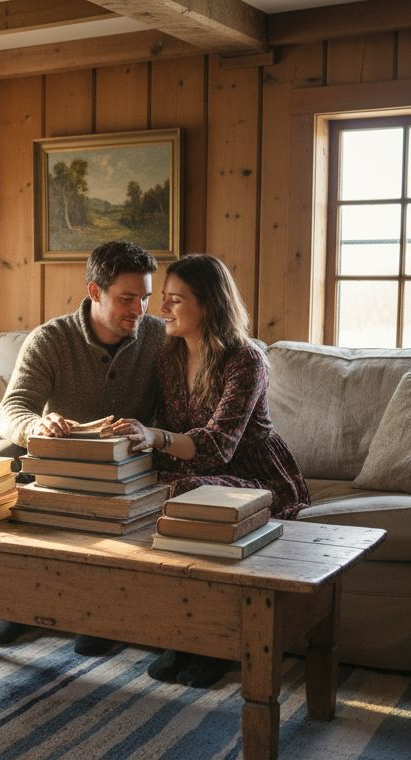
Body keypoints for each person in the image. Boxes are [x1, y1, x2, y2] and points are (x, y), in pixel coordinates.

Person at [113, 252, 311, 686]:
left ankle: (212, 645)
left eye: (175, 301)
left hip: (256, 475)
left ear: (209, 305)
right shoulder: (167, 357)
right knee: (140, 494)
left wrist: (158, 438)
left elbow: (219, 447)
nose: (162, 310)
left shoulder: (246, 360)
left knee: (186, 491)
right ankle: (156, 628)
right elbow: (168, 430)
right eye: (163, 299)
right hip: (192, 469)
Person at [0, 240, 168, 658]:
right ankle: (20, 603)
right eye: (127, 299)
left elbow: (180, 412)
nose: (139, 310)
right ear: (94, 292)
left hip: (131, 462)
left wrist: (148, 435)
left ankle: (95, 613)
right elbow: (13, 407)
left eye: (145, 297)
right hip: (62, 459)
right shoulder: (51, 339)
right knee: (0, 459)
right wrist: (37, 424)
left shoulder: (160, 338)